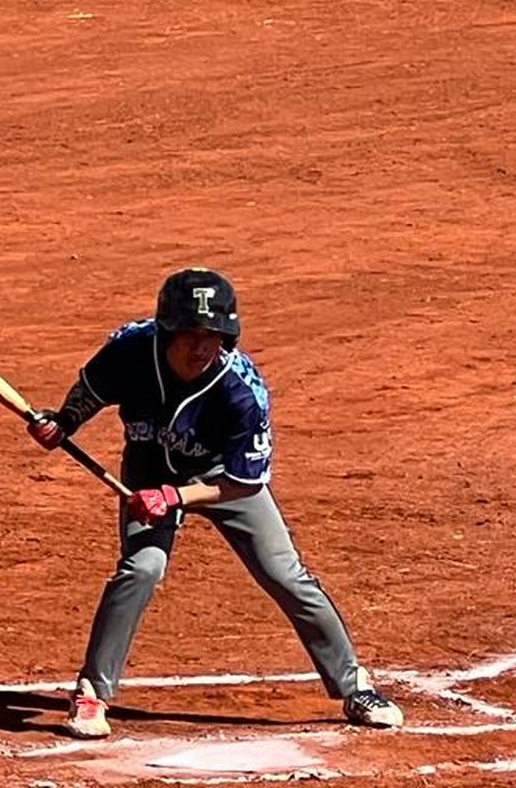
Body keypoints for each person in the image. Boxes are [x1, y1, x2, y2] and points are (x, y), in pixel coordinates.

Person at [27, 267, 405, 739]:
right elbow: (91, 391)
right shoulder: (130, 351)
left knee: (284, 572)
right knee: (142, 569)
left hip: (221, 481)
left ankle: (354, 686)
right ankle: (91, 693)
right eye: (191, 334)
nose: (203, 346)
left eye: (214, 335)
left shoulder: (241, 391)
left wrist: (173, 496)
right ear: (168, 330)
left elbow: (243, 482)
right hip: (147, 472)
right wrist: (62, 423)